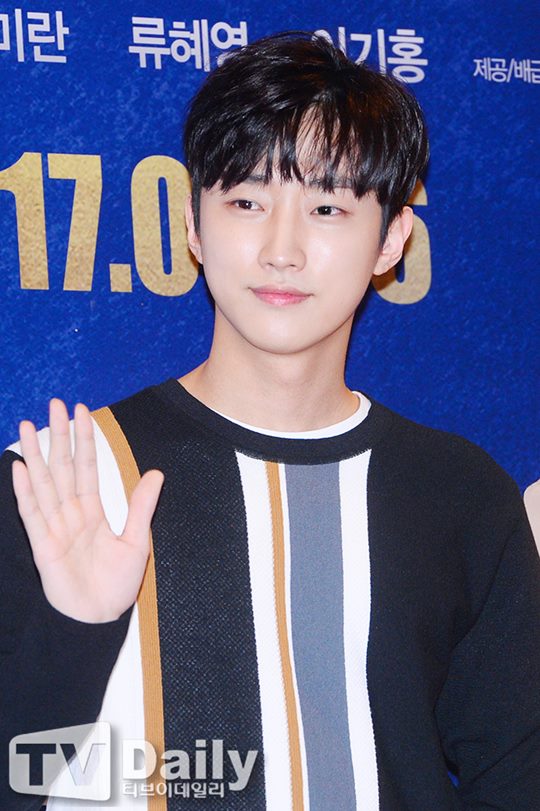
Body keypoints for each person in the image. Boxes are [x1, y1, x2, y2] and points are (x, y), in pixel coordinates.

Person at [1, 31, 539, 811]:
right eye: (247, 202)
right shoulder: (59, 487)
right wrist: (76, 630)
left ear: (391, 238)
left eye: (327, 208)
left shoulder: (460, 496)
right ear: (193, 223)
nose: (281, 249)